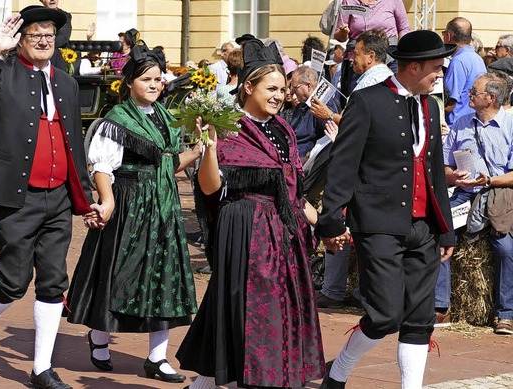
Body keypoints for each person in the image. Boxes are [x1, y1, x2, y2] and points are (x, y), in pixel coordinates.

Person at [0, 7, 98, 388]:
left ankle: (41, 368)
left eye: (49, 34)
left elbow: (74, 146)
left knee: (53, 282)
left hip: (59, 198)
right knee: (15, 280)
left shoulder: (66, 83)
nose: (43, 40)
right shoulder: (2, 71)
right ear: (20, 39)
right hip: (17, 196)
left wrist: (87, 197)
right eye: (35, 33)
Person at [176, 37, 325, 389]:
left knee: (272, 310)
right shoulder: (228, 127)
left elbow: (293, 188)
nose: (279, 95)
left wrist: (320, 220)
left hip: (281, 231)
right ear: (247, 87)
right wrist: (208, 149)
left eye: (283, 89)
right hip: (246, 228)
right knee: (254, 311)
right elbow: (212, 189)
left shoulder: (283, 128)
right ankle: (256, 378)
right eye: (271, 88)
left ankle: (228, 380)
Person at [316, 30, 456, 389]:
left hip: (423, 225)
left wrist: (445, 228)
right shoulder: (366, 101)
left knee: (421, 317)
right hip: (377, 223)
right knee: (385, 315)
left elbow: (434, 169)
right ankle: (339, 369)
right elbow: (344, 165)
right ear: (413, 66)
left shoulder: (432, 105)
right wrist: (332, 220)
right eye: (436, 68)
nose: (441, 74)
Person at [64, 42, 200, 383]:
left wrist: (199, 149)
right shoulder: (118, 119)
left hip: (164, 208)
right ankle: (99, 335)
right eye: (146, 79)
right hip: (130, 206)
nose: (154, 85)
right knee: (119, 273)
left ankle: (157, 357)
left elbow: (169, 163)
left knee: (164, 277)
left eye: (157, 79)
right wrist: (107, 201)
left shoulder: (168, 117)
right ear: (130, 84)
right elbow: (102, 166)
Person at [442, 72, 513, 335]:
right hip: (464, 193)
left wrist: (491, 180)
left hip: (498, 193)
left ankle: (506, 314)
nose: (468, 96)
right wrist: (454, 176)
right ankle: (441, 306)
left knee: (505, 246)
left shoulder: (511, 125)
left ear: (490, 98)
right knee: (438, 230)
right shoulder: (461, 122)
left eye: (474, 92)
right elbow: (444, 165)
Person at [334, 0, 410, 99]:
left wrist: (405, 52)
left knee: (394, 97)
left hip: (390, 58)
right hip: (358, 60)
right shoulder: (349, 1)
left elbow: (404, 28)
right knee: (356, 98)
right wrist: (343, 32)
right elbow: (339, 35)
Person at [288, 66, 340, 163]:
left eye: (295, 88)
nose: (291, 92)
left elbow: (329, 140)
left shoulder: (322, 106)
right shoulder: (301, 105)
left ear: (308, 86)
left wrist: (309, 157)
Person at [443, 17, 486, 126]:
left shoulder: (458, 61)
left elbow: (449, 104)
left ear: (448, 36)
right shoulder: (477, 58)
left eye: (443, 34)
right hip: (474, 123)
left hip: (456, 126)